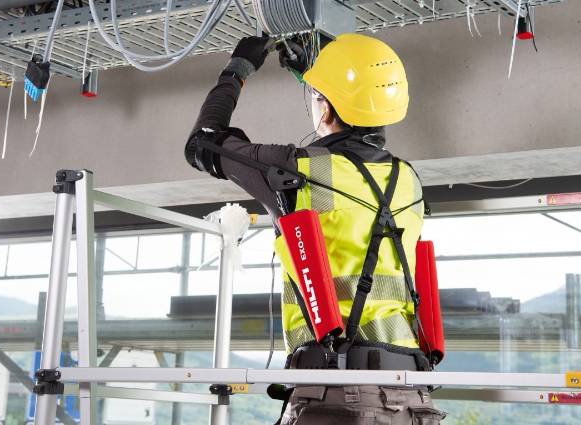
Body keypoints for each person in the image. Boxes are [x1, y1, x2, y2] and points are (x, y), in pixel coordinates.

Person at [185, 33, 445, 425]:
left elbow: (203, 144)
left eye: (317, 97)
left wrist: (237, 71)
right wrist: (312, 75)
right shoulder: (408, 179)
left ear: (325, 110)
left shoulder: (300, 170)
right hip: (412, 393)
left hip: (340, 391)